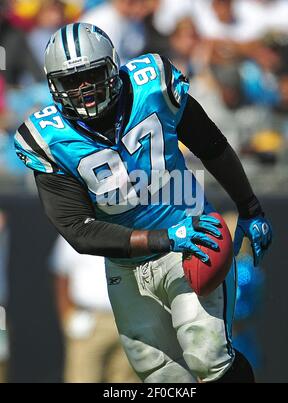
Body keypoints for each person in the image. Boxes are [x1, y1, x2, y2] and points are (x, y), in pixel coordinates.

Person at [14, 23, 272, 383]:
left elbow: (209, 143)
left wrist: (250, 209)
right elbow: (78, 231)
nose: (84, 89)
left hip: (192, 237)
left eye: (91, 75)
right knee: (160, 376)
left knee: (207, 354)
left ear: (113, 67)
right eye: (72, 81)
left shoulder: (153, 85)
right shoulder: (47, 138)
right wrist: (163, 238)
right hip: (128, 263)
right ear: (54, 86)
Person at [50, 235, 138, 383]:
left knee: (127, 379)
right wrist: (67, 316)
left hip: (130, 317)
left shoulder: (131, 224)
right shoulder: (75, 227)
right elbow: (61, 273)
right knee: (83, 378)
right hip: (90, 320)